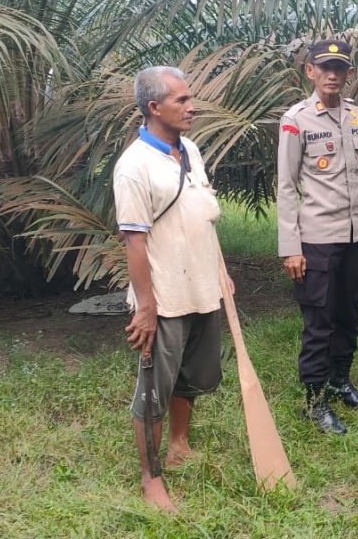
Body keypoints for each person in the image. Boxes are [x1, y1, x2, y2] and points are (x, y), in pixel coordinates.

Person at [113, 66, 231, 511]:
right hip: (163, 299)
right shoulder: (134, 167)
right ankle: (151, 478)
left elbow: (201, 213)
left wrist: (220, 272)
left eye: (190, 98)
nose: (191, 106)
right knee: (154, 391)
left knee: (192, 377)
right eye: (181, 100)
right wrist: (145, 308)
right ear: (153, 108)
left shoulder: (191, 150)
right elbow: (135, 242)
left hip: (202, 288)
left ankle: (179, 445)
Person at [276, 39, 358, 435]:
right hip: (318, 239)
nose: (332, 75)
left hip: (356, 235)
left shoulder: (355, 116)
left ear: (348, 74)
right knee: (319, 322)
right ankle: (315, 400)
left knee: (348, 313)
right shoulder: (296, 120)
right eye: (324, 67)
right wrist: (291, 247)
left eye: (339, 69)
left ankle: (341, 380)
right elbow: (287, 187)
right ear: (309, 71)